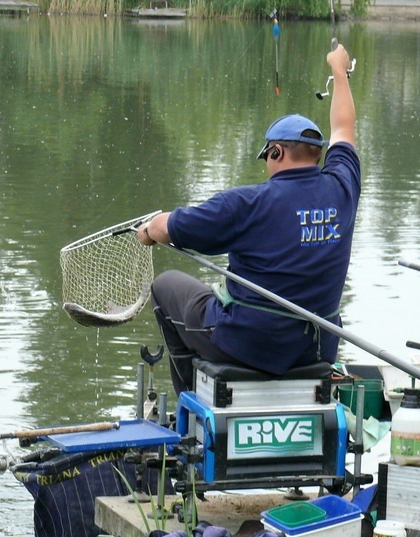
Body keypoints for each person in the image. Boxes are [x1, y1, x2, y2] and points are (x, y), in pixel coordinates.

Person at [138, 43, 359, 395]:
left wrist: (149, 229)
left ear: (276, 151)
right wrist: (339, 71)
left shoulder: (246, 203)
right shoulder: (342, 188)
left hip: (247, 345)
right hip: (316, 350)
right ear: (318, 154)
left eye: (267, 155)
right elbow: (344, 128)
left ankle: (189, 407)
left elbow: (171, 227)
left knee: (166, 286)